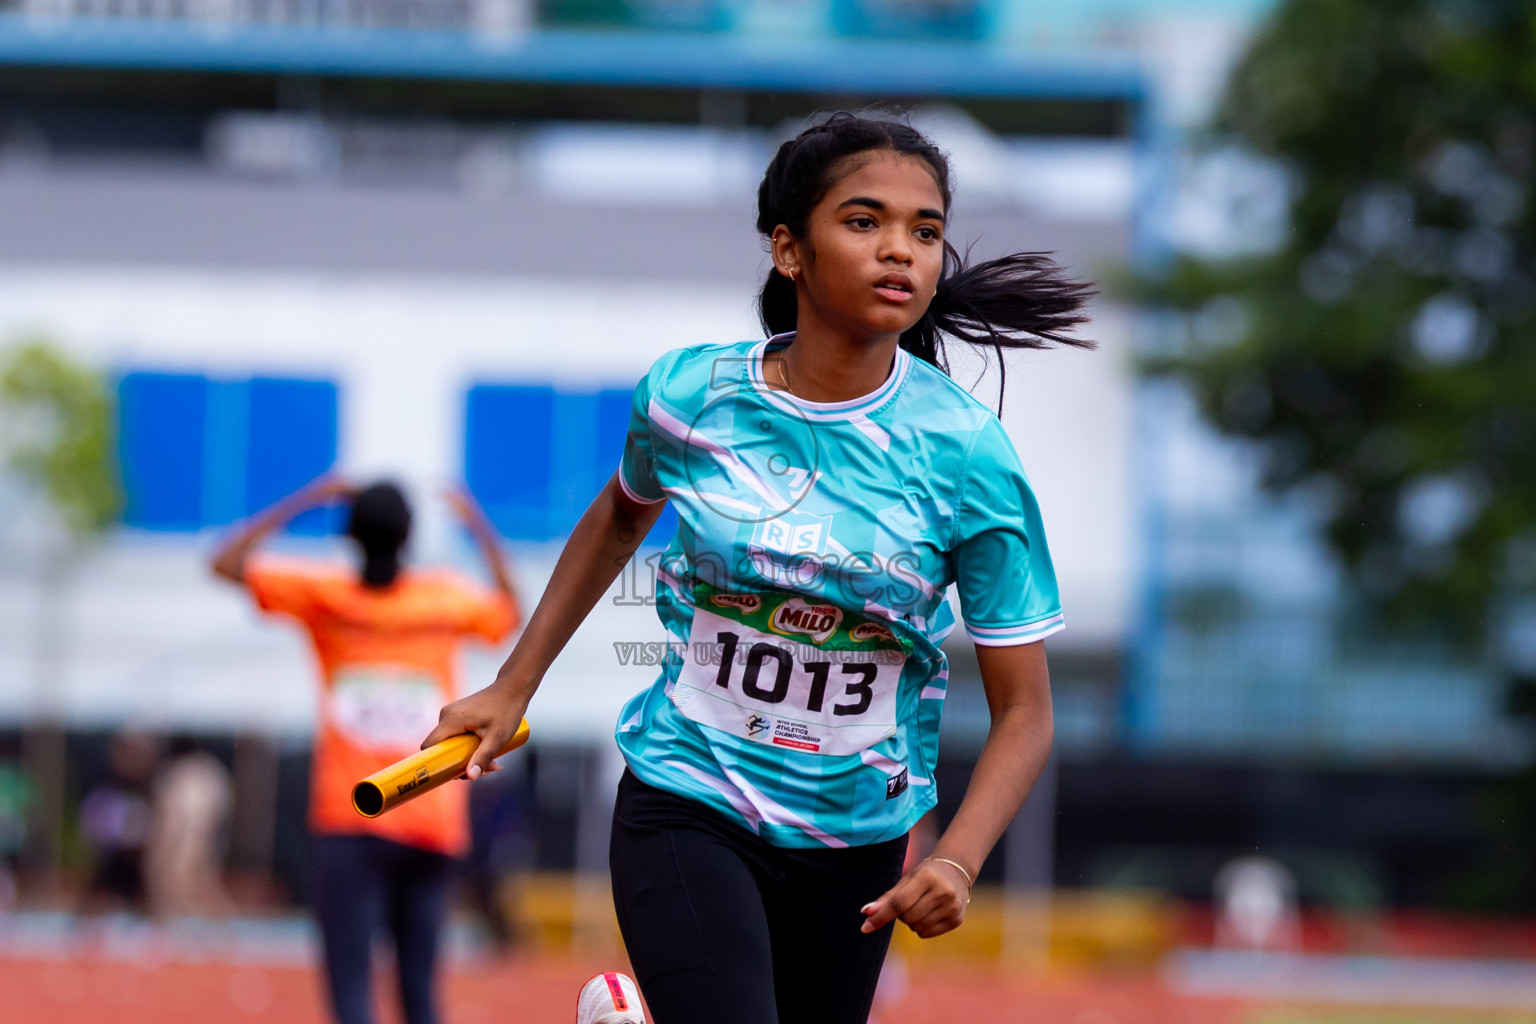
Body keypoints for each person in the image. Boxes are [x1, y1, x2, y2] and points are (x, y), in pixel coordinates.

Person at [425, 111, 1093, 1024]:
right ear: (790, 249)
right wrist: (512, 687)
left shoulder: (969, 456)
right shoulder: (692, 395)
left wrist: (954, 861)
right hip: (687, 796)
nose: (900, 250)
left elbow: (1026, 712)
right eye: (864, 222)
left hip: (856, 843)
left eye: (925, 231)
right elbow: (619, 520)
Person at [212, 477, 520, 1024]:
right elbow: (511, 610)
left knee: (352, 994)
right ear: (408, 537)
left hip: (352, 812)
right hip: (431, 813)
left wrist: (306, 497)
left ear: (350, 536)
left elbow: (226, 562)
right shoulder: (443, 600)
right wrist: (474, 518)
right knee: (421, 996)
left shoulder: (326, 598)